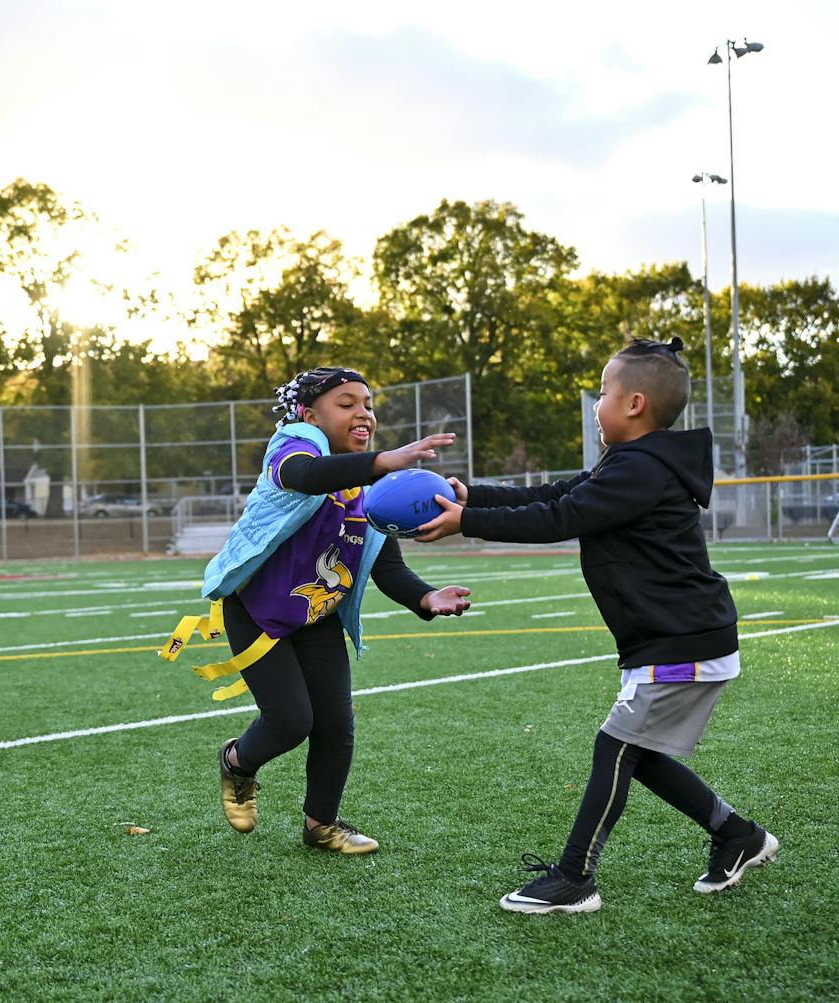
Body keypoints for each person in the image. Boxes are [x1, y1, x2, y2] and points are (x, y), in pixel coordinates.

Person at [416, 337, 778, 913]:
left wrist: (470, 521)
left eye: (604, 392)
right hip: (674, 637)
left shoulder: (644, 471)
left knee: (615, 747)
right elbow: (559, 492)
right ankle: (738, 835)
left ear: (634, 404)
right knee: (641, 752)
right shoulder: (630, 465)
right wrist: (473, 497)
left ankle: (575, 877)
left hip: (681, 638)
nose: (596, 403)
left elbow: (563, 515)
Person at [161, 366, 472, 854]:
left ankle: (321, 824)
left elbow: (385, 565)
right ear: (309, 414)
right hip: (256, 611)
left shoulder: (370, 489)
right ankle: (237, 762)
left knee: (335, 723)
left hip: (317, 617)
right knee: (290, 721)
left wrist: (426, 597)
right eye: (346, 403)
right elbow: (305, 477)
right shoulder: (292, 447)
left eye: (367, 404)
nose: (363, 413)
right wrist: (383, 461)